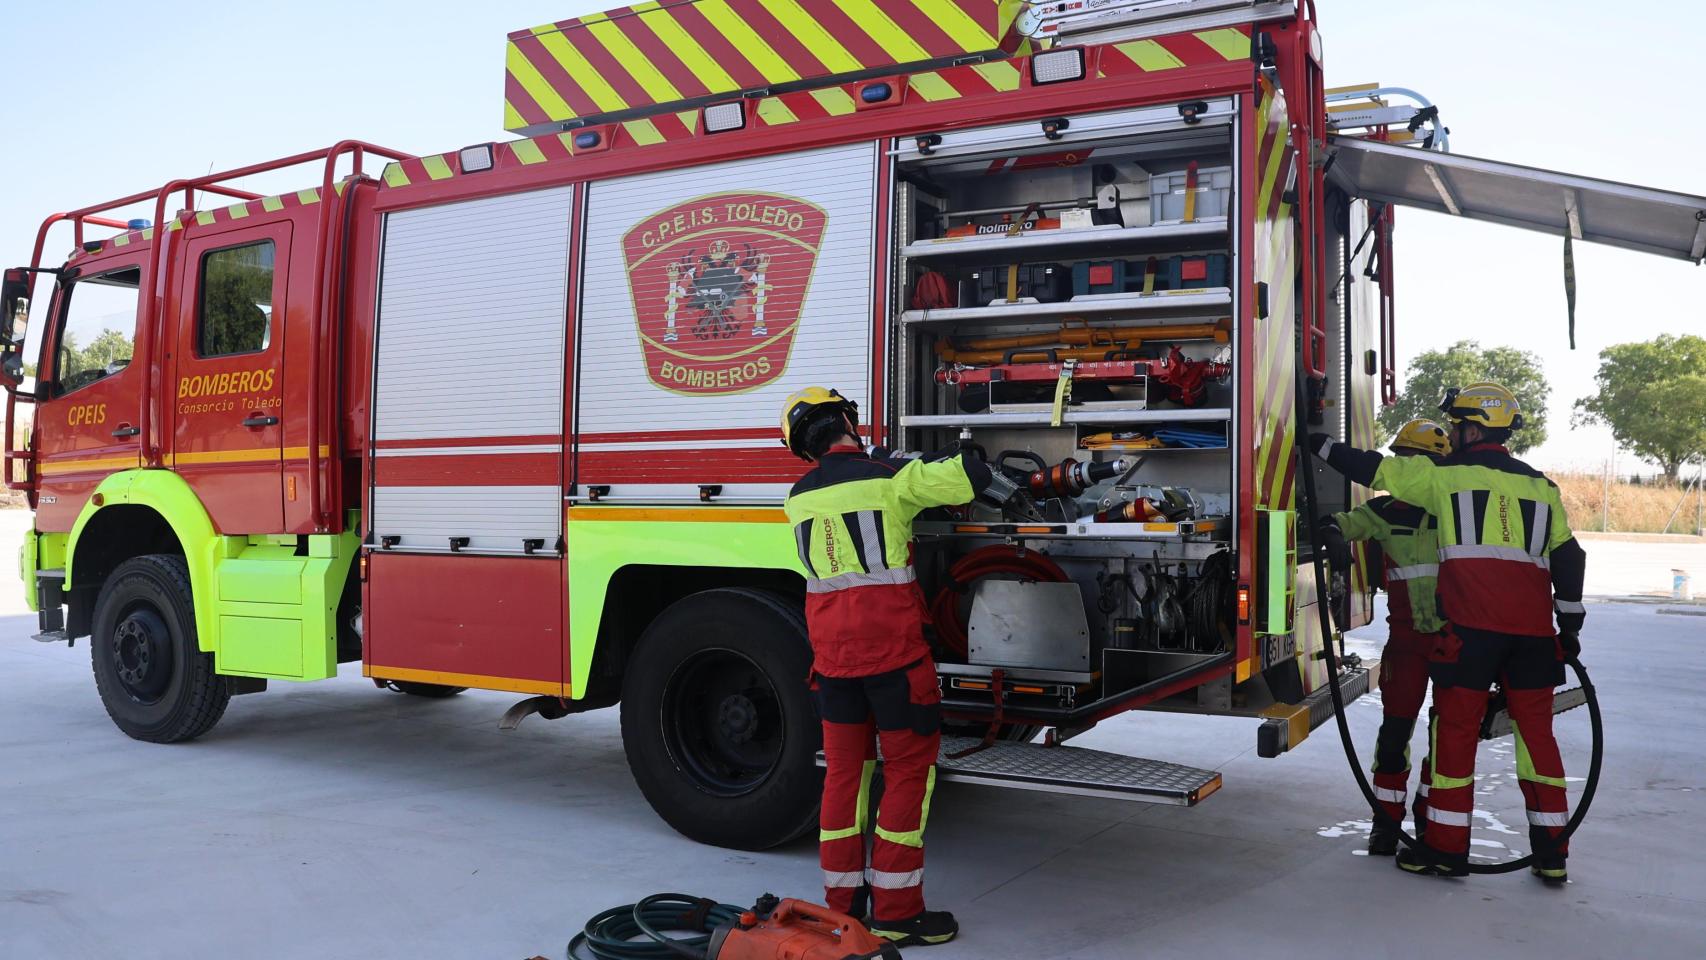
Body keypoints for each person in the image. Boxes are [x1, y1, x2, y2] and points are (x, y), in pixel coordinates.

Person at [1311, 382, 1586, 884]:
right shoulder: (1543, 488)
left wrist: (1319, 443)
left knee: (1454, 738)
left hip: (1471, 636)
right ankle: (1552, 855)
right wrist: (1569, 628)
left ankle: (1444, 851)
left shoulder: (1446, 479)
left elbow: (1374, 469)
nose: (1453, 434)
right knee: (1538, 743)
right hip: (1533, 639)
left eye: (1457, 426)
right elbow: (1569, 557)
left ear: (1474, 430)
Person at [780, 386, 995, 946]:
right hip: (896, 662)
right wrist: (909, 457)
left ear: (804, 448)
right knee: (905, 776)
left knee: (844, 779)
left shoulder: (796, 498)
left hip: (833, 664)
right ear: (847, 422)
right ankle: (897, 915)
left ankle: (844, 909)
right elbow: (970, 475)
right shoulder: (888, 477)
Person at [1318, 419, 1451, 856]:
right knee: (1394, 734)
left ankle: (1433, 819)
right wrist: (1332, 533)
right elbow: (1339, 522)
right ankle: (1387, 824)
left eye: (1414, 461)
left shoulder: (1459, 513)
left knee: (1447, 737)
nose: (1406, 469)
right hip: (1407, 644)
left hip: (1453, 642)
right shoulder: (1383, 512)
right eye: (1403, 460)